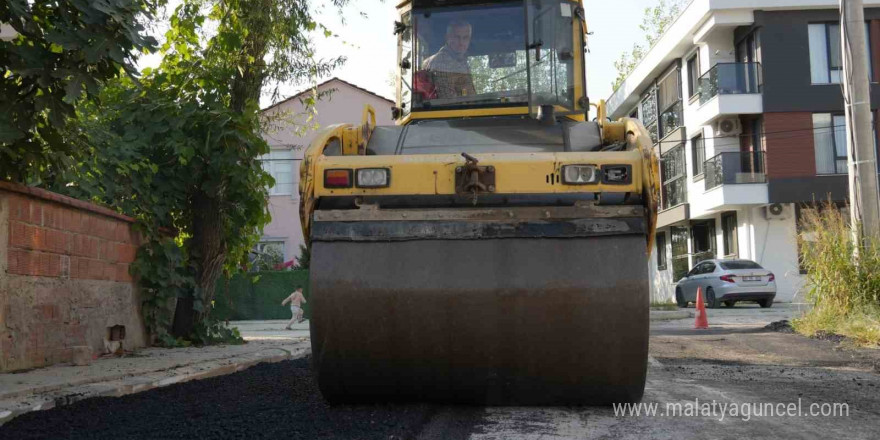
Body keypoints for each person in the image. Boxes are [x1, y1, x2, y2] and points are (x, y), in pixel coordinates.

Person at [421, 20, 477, 99]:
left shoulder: (460, 61)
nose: (461, 42)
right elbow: (448, 101)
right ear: (447, 38)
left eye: (465, 38)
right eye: (457, 37)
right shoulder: (442, 61)